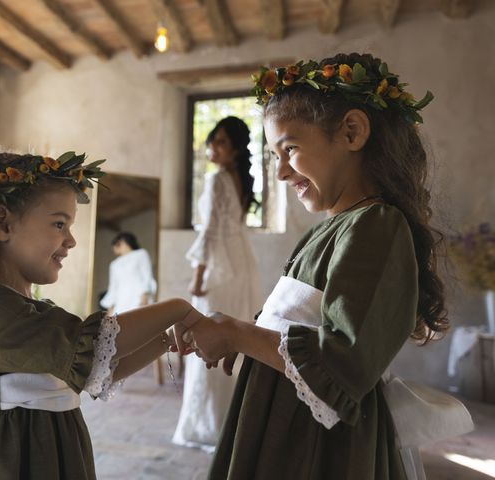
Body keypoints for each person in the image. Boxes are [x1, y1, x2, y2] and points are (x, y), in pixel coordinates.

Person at [177, 53, 471, 479]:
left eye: (289, 149)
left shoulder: (377, 226)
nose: (279, 173)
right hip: (288, 423)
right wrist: (241, 338)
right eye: (273, 155)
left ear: (352, 132)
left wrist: (237, 332)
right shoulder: (334, 227)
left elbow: (343, 362)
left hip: (315, 446)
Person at [0, 149, 207, 480]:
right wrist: (178, 307)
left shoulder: (31, 310)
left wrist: (165, 339)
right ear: (2, 224)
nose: (72, 240)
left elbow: (98, 368)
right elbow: (90, 349)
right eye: (59, 223)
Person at [172, 116, 262, 450]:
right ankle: (233, 420)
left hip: (221, 272)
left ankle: (211, 426)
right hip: (242, 266)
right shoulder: (241, 179)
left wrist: (197, 277)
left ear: (236, 150)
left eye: (221, 142)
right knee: (236, 339)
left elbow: (209, 231)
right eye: (213, 140)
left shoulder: (217, 180)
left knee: (209, 339)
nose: (213, 147)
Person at [100, 232, 156, 314]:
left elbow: (147, 276)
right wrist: (110, 308)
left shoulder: (141, 254)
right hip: (120, 303)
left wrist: (144, 299)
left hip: (138, 300)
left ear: (122, 242)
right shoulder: (114, 264)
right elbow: (113, 287)